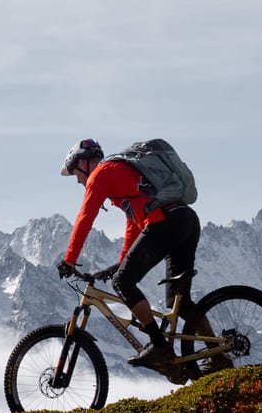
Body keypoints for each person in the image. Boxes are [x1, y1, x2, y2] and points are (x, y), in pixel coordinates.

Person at [56, 139, 208, 372]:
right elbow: (134, 223)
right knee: (180, 302)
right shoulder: (123, 173)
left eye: (76, 174)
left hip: (165, 223)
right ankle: (219, 357)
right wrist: (121, 262)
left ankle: (159, 345)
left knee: (123, 282)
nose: (78, 180)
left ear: (84, 163)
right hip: (185, 220)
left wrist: (69, 259)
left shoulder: (101, 174)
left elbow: (85, 218)